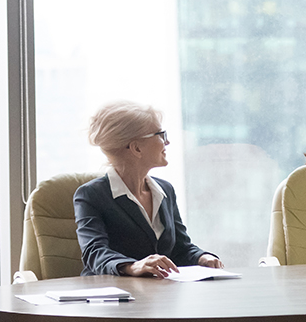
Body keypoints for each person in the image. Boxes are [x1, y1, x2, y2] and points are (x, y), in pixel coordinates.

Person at [74, 101, 222, 278]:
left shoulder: (165, 190)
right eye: (160, 135)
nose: (167, 142)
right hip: (112, 296)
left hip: (159, 295)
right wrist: (133, 266)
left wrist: (201, 257)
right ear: (136, 148)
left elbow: (180, 248)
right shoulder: (91, 195)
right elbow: (94, 252)